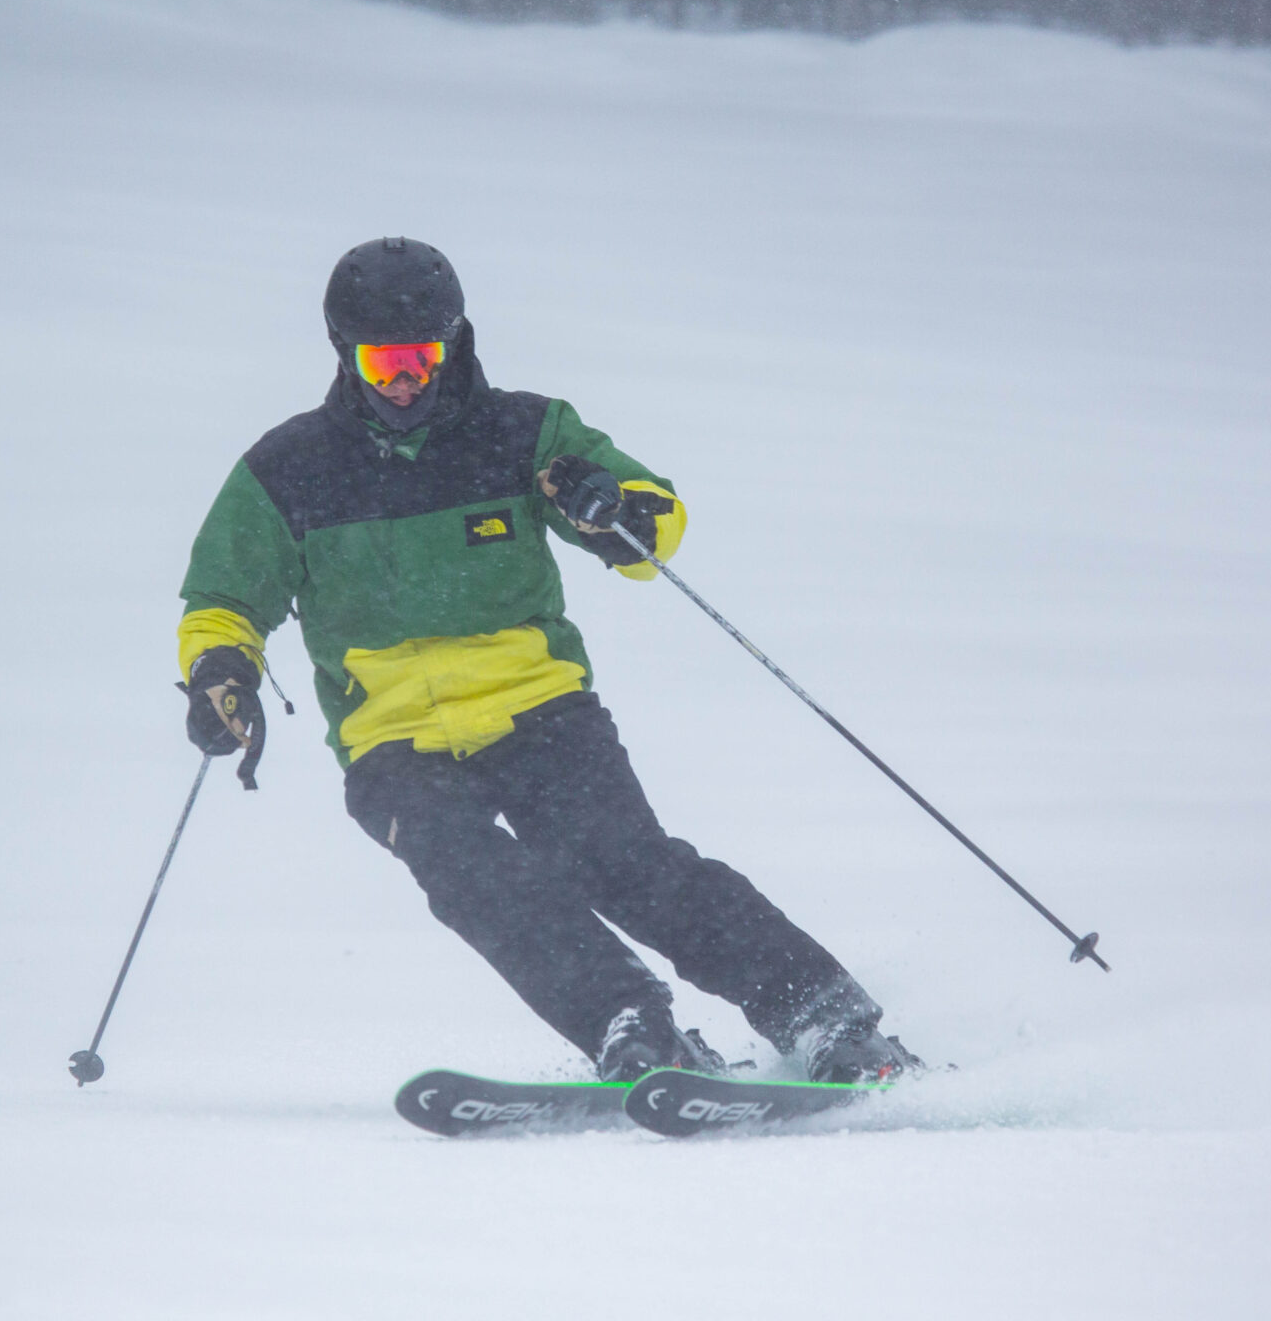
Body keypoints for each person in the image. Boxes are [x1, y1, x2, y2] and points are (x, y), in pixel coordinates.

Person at [176, 237, 918, 1085]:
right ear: (347, 356)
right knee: (472, 878)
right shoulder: (289, 469)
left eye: (422, 356)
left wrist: (612, 508)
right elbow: (223, 599)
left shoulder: (525, 433)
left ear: (455, 343)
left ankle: (825, 1017)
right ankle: (631, 1028)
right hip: (393, 741)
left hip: (540, 711)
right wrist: (220, 673)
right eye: (383, 361)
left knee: (623, 864)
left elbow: (653, 534)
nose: (405, 380)